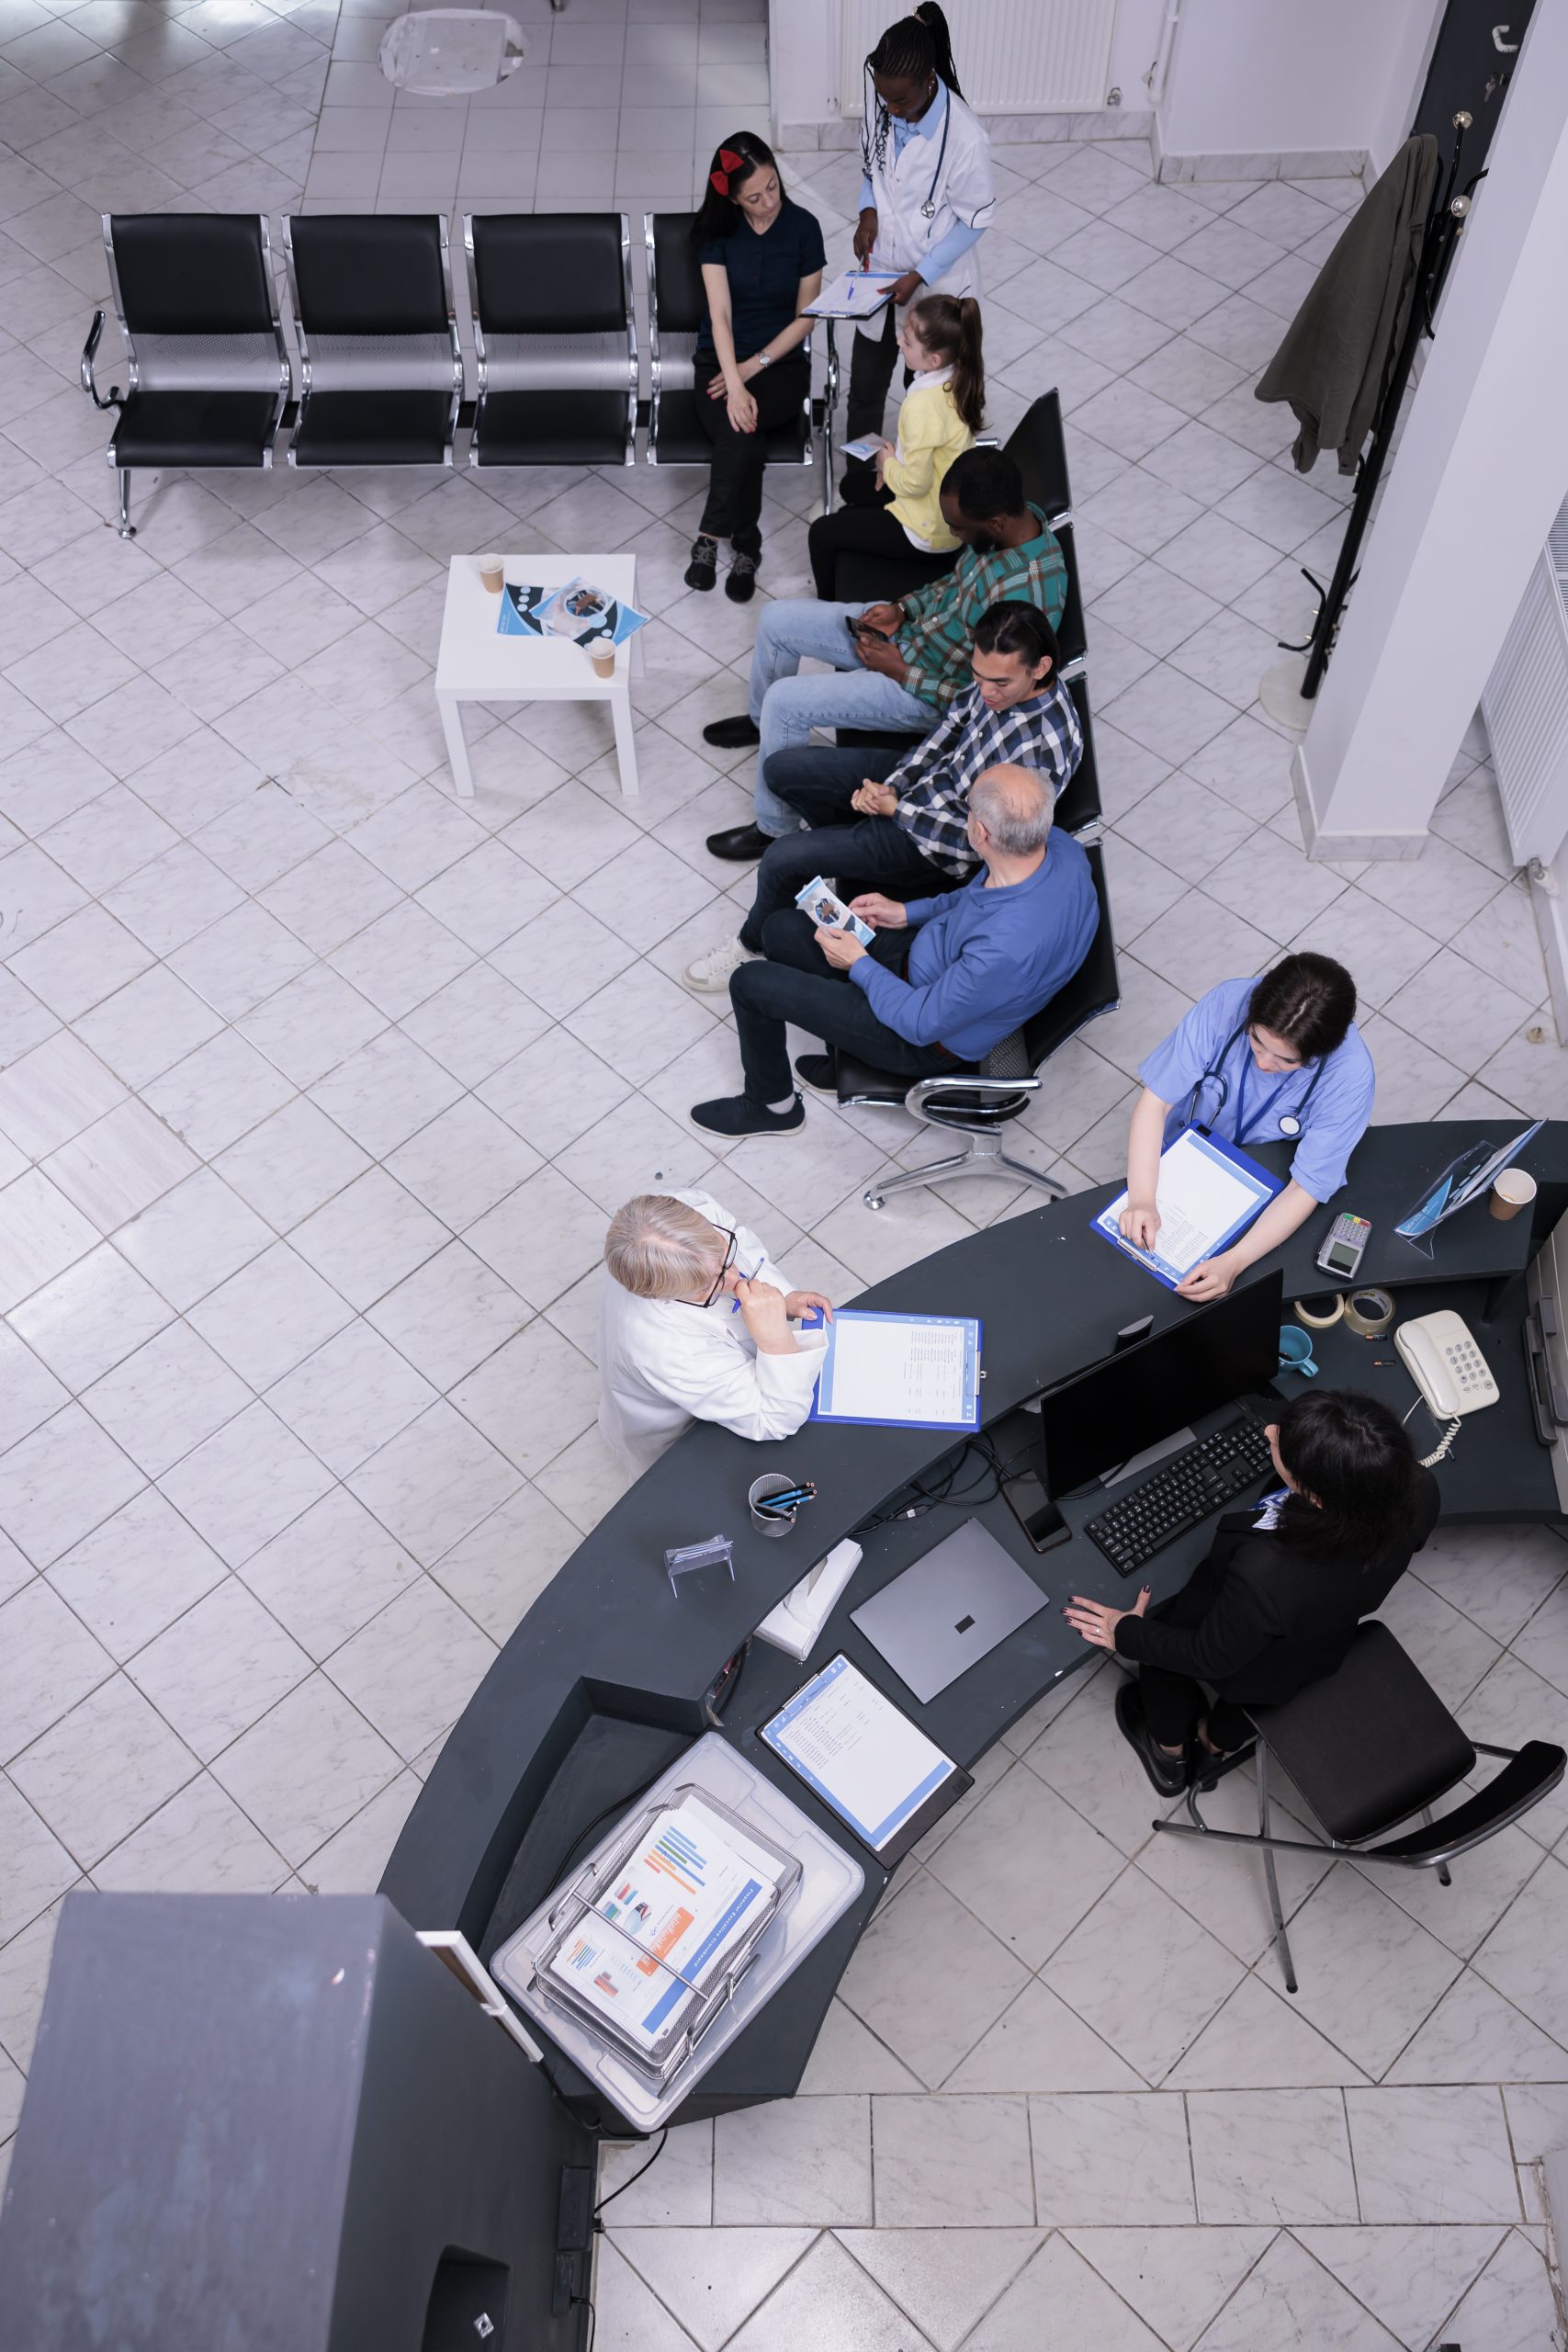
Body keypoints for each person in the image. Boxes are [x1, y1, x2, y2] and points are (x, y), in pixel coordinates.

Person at [684, 603, 1080, 996]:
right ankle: (842, 847)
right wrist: (893, 783)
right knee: (781, 769)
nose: (986, 690)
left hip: (933, 847)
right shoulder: (997, 682)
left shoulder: (1039, 754)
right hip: (925, 786)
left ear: (1040, 668)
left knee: (781, 859)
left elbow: (977, 843)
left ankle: (749, 946)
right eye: (979, 677)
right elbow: (951, 727)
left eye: (999, 683)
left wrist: (897, 811)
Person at [1064, 1388, 1440, 1796]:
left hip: (1244, 1654)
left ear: (1315, 1496)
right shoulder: (1419, 1488)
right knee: (1258, 1696)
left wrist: (1126, 1632)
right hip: (1312, 1650)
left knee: (1162, 1660)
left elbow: (1208, 1656)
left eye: (1283, 1443)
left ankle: (1170, 1755)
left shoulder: (1268, 1571)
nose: (1270, 1431)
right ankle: (1212, 1747)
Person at [688, 767, 1098, 1139]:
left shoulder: (1004, 950)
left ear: (980, 833)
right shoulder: (1056, 848)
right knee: (782, 929)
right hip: (923, 964)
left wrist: (859, 963)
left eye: (967, 808)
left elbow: (920, 1023)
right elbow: (976, 899)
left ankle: (771, 1106)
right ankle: (843, 1052)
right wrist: (906, 912)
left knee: (749, 983)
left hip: (918, 1035)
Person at [702, 447, 1068, 861]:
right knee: (775, 620)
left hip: (925, 690)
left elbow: (980, 701)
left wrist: (900, 671)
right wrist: (903, 608)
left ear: (995, 523)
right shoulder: (1008, 527)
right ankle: (760, 725)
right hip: (911, 636)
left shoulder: (1026, 596)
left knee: (785, 703)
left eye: (959, 529)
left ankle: (775, 829)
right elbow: (953, 584)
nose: (955, 536)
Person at [1121, 954, 1375, 1302]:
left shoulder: (1350, 1076)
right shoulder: (1226, 1004)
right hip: (1177, 1154)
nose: (1263, 1063)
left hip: (1254, 1181)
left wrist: (1234, 1262)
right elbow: (1156, 1102)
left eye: (1287, 1060)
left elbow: (1308, 1186)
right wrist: (1142, 1200)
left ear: (1323, 1052)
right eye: (1256, 1040)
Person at [842, 5, 995, 505]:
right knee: (865, 387)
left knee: (927, 398)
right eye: (884, 98)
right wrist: (868, 213)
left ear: (929, 81)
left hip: (935, 284)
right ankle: (861, 483)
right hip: (882, 273)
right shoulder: (884, 101)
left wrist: (918, 275)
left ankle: (919, 491)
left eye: (901, 101)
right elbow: (872, 168)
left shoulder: (966, 138)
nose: (890, 109)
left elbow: (973, 221)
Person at [597, 1189, 834, 1474]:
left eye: (725, 1255)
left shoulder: (677, 1214)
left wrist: (781, 1295)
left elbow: (742, 1241)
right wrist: (776, 1341)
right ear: (662, 1294)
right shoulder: (668, 1348)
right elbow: (774, 1420)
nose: (735, 1278)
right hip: (671, 1426)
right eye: (708, 1287)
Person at [684, 133, 825, 604]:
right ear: (731, 198)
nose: (769, 202)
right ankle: (746, 546)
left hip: (780, 362)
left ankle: (707, 536)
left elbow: (806, 318)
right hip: (718, 360)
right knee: (743, 433)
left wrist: (751, 370)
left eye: (773, 187)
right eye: (755, 197)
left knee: (743, 425)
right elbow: (719, 315)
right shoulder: (714, 233)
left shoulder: (805, 228)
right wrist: (734, 376)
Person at [807, 291, 984, 600]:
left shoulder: (922, 405)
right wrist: (894, 460)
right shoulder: (956, 379)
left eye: (908, 340)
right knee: (851, 486)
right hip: (942, 502)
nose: (899, 342)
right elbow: (929, 452)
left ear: (934, 359)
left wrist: (887, 464)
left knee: (821, 533)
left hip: (926, 530)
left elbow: (915, 484)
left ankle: (828, 607)